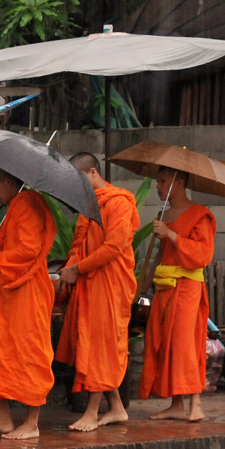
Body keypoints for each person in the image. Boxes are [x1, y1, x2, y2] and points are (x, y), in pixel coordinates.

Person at [0, 167, 56, 440]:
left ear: (8, 181)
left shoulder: (28, 203)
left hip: (27, 291)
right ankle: (3, 416)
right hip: (8, 292)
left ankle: (32, 422)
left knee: (29, 352)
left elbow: (29, 251)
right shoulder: (16, 205)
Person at [56, 153, 139, 431]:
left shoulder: (119, 202)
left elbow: (114, 247)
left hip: (110, 286)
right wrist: (66, 272)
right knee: (92, 344)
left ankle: (92, 412)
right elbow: (79, 245)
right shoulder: (88, 208)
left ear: (93, 173)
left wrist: (77, 270)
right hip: (89, 284)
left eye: (78, 180)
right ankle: (116, 408)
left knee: (100, 347)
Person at [140, 168, 215, 421]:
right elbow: (162, 254)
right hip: (164, 287)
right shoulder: (166, 214)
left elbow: (203, 255)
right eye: (157, 181)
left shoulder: (199, 215)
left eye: (162, 181)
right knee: (163, 343)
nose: (158, 186)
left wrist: (171, 234)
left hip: (187, 287)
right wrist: (144, 283)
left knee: (185, 343)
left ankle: (196, 403)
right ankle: (176, 404)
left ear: (178, 183)